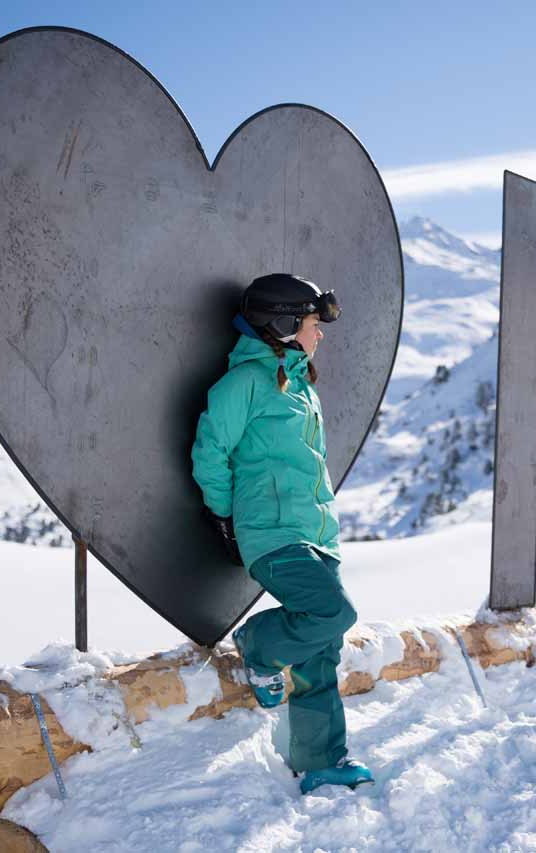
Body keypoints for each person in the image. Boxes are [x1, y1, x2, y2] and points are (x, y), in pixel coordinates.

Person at [190, 272, 373, 795]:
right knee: (333, 613)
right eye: (315, 324)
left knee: (321, 654)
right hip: (272, 533)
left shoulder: (297, 382)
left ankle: (321, 761)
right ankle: (258, 644)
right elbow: (210, 452)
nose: (321, 335)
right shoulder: (243, 383)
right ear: (285, 324)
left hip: (316, 535)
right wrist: (226, 517)